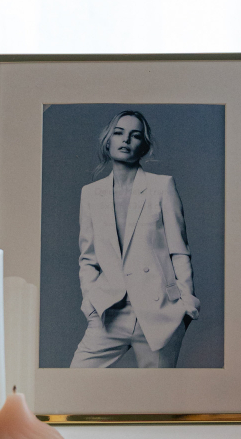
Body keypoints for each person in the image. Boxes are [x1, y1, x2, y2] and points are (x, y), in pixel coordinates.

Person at [70, 110, 200, 368]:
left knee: (157, 393)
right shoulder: (91, 194)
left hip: (159, 314)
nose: (126, 140)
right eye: (119, 133)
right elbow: (88, 259)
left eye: (135, 135)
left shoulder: (162, 186)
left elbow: (179, 252)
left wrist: (186, 307)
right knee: (77, 381)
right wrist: (91, 304)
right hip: (109, 313)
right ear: (108, 141)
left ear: (144, 145)